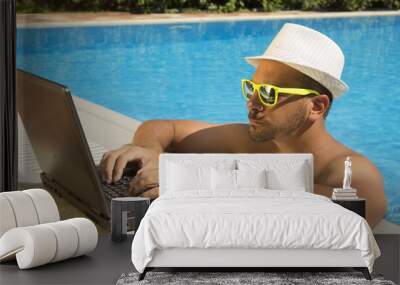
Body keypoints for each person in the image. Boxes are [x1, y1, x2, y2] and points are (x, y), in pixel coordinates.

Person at [100, 23, 387, 227]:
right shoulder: (253, 142)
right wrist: (149, 150)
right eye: (251, 88)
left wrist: (192, 182)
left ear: (316, 106)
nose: (252, 103)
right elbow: (164, 127)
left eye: (268, 93)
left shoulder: (347, 170)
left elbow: (364, 208)